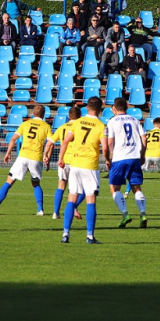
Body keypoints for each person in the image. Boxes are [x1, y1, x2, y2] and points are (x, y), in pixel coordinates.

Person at [58, 96, 108, 244]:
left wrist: (61, 158)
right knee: (91, 201)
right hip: (90, 166)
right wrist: (108, 160)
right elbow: (105, 147)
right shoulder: (101, 126)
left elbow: (66, 141)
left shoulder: (78, 122)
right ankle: (90, 236)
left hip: (75, 164)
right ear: (100, 110)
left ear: (87, 107)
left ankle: (65, 234)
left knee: (71, 199)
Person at [0, 105, 51, 216]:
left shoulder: (25, 124)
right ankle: (40, 210)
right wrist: (47, 157)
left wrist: (8, 153)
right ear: (43, 115)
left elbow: (13, 139)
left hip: (23, 156)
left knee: (9, 182)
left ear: (33, 114)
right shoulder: (46, 126)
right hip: (36, 157)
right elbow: (51, 143)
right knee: (36, 184)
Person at [106, 97, 148, 229]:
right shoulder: (135, 120)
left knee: (114, 188)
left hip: (120, 158)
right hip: (134, 157)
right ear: (127, 107)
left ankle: (125, 215)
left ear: (114, 108)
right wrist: (142, 154)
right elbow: (144, 138)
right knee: (137, 187)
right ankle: (142, 214)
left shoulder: (112, 121)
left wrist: (108, 157)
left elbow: (110, 142)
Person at [43, 106, 85, 220]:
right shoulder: (80, 127)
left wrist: (45, 155)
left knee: (61, 186)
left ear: (69, 116)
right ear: (80, 116)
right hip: (77, 161)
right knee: (82, 189)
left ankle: (55, 213)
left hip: (63, 160)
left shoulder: (62, 127)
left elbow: (49, 143)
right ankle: (73, 208)